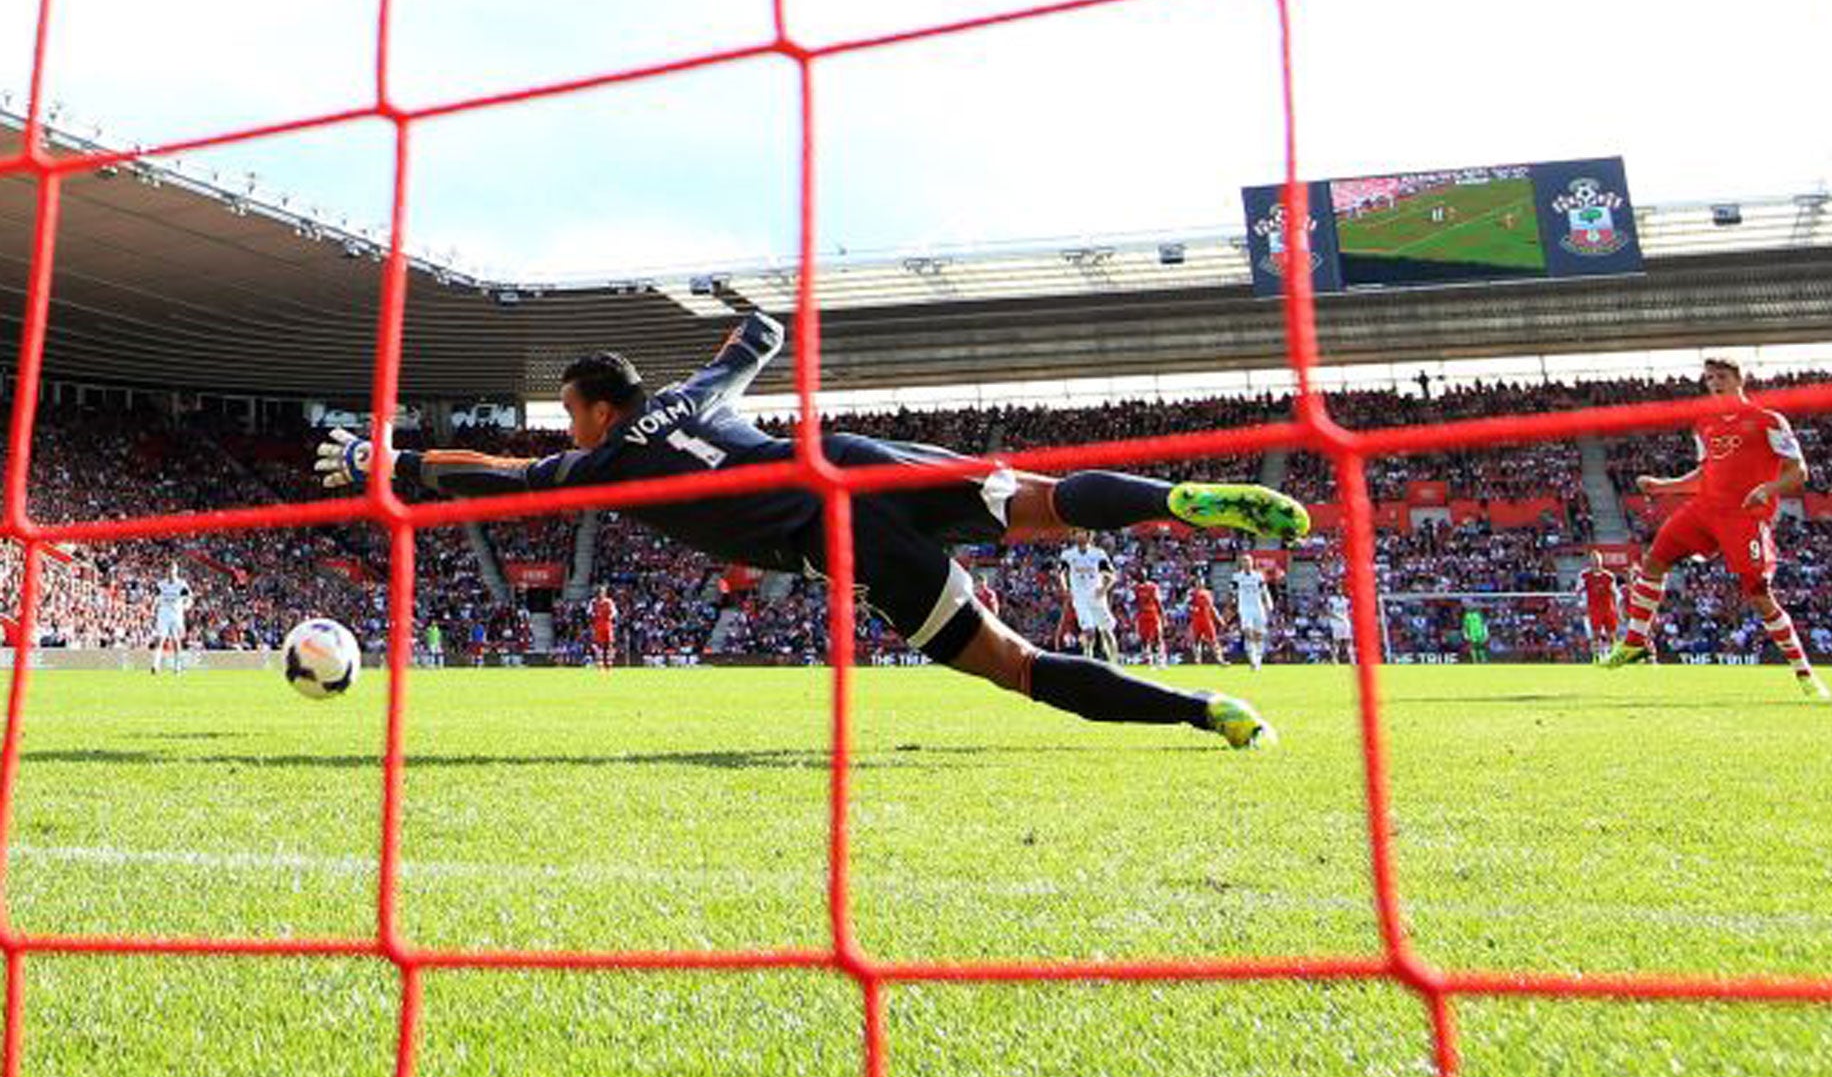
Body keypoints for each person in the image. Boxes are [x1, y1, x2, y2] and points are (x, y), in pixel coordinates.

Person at [318, 313, 1309, 748]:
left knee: (1014, 663)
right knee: (1041, 500)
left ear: (586, 406)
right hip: (850, 458)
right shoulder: (695, 392)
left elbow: (498, 474)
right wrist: (743, 331)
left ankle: (1200, 711)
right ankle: (1173, 499)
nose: (566, 426)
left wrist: (400, 462)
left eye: (568, 411)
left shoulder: (602, 458)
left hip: (838, 539)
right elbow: (758, 339)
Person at [1599, 357, 1829, 698]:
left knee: (1759, 595)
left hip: (1744, 516)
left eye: (1721, 376)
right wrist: (1664, 486)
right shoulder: (1704, 423)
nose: (1715, 383)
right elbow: (1705, 475)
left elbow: (1799, 474)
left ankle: (1805, 675)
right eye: (1709, 378)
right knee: (1653, 561)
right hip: (1704, 509)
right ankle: (1635, 641)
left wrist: (1767, 489)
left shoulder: (1769, 421)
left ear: (1740, 379)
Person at [1060, 534, 1119, 664]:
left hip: (1096, 598)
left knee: (1106, 631)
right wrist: (1065, 588)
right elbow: (1062, 573)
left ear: (1089, 537)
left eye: (1083, 534)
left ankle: (1115, 662)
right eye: (1077, 534)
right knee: (1089, 631)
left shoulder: (1098, 554)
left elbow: (1112, 576)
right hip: (1080, 597)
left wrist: (1103, 589)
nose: (1079, 537)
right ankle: (1088, 661)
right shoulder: (1068, 555)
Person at [1230, 552, 1273, 672]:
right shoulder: (1236, 577)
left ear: (1252, 563)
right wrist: (1232, 605)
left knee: (1259, 635)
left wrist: (1269, 604)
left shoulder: (1258, 576)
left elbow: (1264, 591)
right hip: (1244, 608)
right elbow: (1232, 593)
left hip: (1258, 608)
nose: (1246, 563)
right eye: (1244, 561)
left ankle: (1258, 659)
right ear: (1241, 564)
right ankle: (1252, 660)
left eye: (1248, 561)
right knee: (1248, 633)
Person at [150, 561, 190, 675]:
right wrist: (153, 608)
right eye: (169, 569)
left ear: (176, 571)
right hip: (163, 614)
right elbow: (156, 597)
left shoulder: (182, 584)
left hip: (176, 615)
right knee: (160, 639)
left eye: (173, 569)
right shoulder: (161, 584)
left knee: (176, 640)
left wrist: (186, 605)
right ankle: (155, 666)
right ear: (167, 571)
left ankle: (177, 668)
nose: (171, 572)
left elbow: (188, 598)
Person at [1579, 557, 1620, 657]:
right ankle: (1596, 656)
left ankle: (1612, 655)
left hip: (1608, 608)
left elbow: (1615, 593)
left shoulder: (1609, 576)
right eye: (1594, 561)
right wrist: (1582, 604)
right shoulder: (1584, 575)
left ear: (1601, 562)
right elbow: (1579, 591)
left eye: (1598, 561)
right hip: (1594, 609)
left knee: (1611, 635)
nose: (1596, 564)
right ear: (1590, 563)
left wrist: (1616, 608)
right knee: (1596, 634)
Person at [1132, 573, 1166, 667]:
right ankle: (1147, 658)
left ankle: (1161, 658)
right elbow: (1135, 602)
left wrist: (1162, 616)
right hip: (1142, 615)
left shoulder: (1153, 587)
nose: (1141, 576)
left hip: (1152, 614)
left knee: (1157, 637)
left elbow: (1158, 602)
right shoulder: (1136, 588)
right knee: (1144, 638)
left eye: (1142, 574)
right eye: (1139, 575)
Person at [1187, 580, 1224, 664]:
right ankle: (1197, 659)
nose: (1199, 583)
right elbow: (1188, 605)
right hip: (1197, 620)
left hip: (1207, 619)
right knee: (1196, 640)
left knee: (1213, 640)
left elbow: (1212, 607)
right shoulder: (1192, 593)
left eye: (1201, 582)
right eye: (1198, 582)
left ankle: (1220, 659)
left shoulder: (1208, 593)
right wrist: (1192, 609)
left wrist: (1218, 618)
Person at [590, 588, 618, 670]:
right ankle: (600, 663)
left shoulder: (609, 601)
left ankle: (609, 663)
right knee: (599, 645)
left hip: (607, 625)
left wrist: (611, 616)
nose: (600, 594)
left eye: (602, 592)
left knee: (609, 644)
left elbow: (614, 612)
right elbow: (589, 612)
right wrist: (593, 615)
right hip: (598, 625)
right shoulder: (593, 602)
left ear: (605, 593)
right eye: (599, 593)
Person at [1327, 587, 1355, 664]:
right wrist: (1337, 617)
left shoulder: (1346, 600)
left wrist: (1347, 617)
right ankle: (1335, 660)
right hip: (1336, 622)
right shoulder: (1332, 600)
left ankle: (1352, 660)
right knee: (1336, 641)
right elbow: (1328, 611)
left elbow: (1350, 610)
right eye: (1338, 589)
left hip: (1345, 622)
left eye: (1341, 589)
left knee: (1348, 640)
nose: (1339, 590)